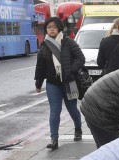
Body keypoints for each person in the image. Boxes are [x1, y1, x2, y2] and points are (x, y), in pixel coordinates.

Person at [34, 17, 85, 150]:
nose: (51, 29)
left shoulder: (68, 42)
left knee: (72, 109)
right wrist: (38, 83)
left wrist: (71, 71)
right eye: (49, 27)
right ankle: (54, 139)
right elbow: (40, 66)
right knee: (55, 111)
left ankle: (78, 129)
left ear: (59, 28)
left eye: (54, 27)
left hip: (70, 81)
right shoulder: (44, 45)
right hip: (52, 83)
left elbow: (81, 58)